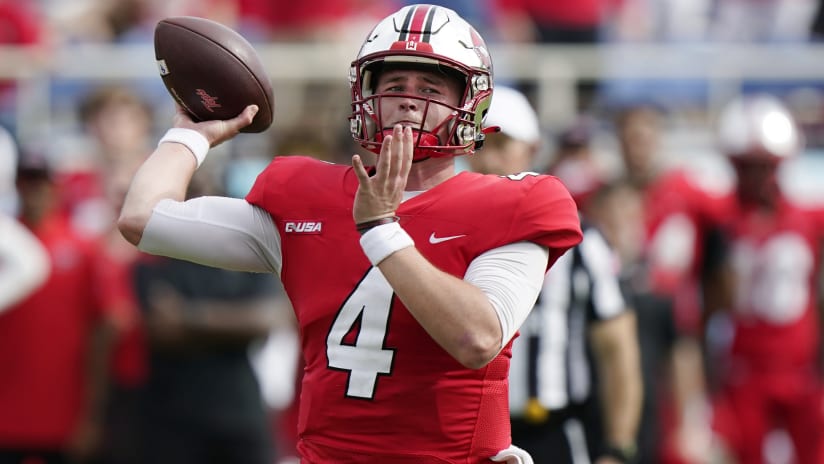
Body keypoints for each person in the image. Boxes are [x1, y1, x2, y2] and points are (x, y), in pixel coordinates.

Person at [117, 4, 583, 463]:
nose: (408, 98)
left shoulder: (516, 202)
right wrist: (193, 134)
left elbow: (478, 339)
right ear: (365, 95)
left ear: (469, 101)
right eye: (394, 84)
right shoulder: (306, 195)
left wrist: (381, 229)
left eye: (430, 86)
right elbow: (145, 218)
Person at [468, 86, 643, 464]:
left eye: (501, 146)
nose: (487, 160)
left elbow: (618, 349)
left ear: (532, 149)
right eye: (478, 146)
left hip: (549, 432)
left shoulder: (581, 239)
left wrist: (618, 447)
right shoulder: (449, 231)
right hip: (466, 433)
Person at [700, 94, 824, 463]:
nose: (757, 177)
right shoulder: (719, 221)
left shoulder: (809, 218)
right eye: (747, 166)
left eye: (764, 166)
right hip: (744, 368)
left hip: (801, 365)